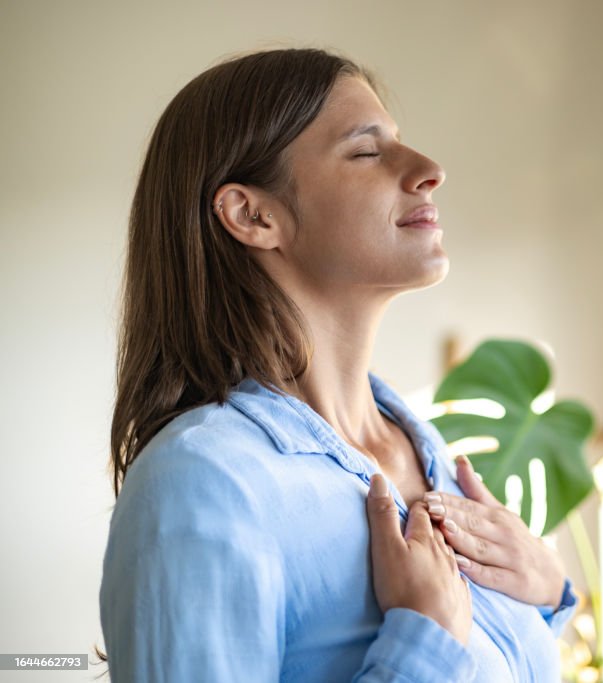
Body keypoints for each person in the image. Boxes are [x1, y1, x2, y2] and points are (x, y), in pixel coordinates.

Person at [99, 48, 576, 682]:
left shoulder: (430, 453)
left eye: (401, 143)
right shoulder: (201, 485)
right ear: (253, 214)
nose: (430, 170)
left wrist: (546, 596)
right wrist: (421, 645)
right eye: (366, 152)